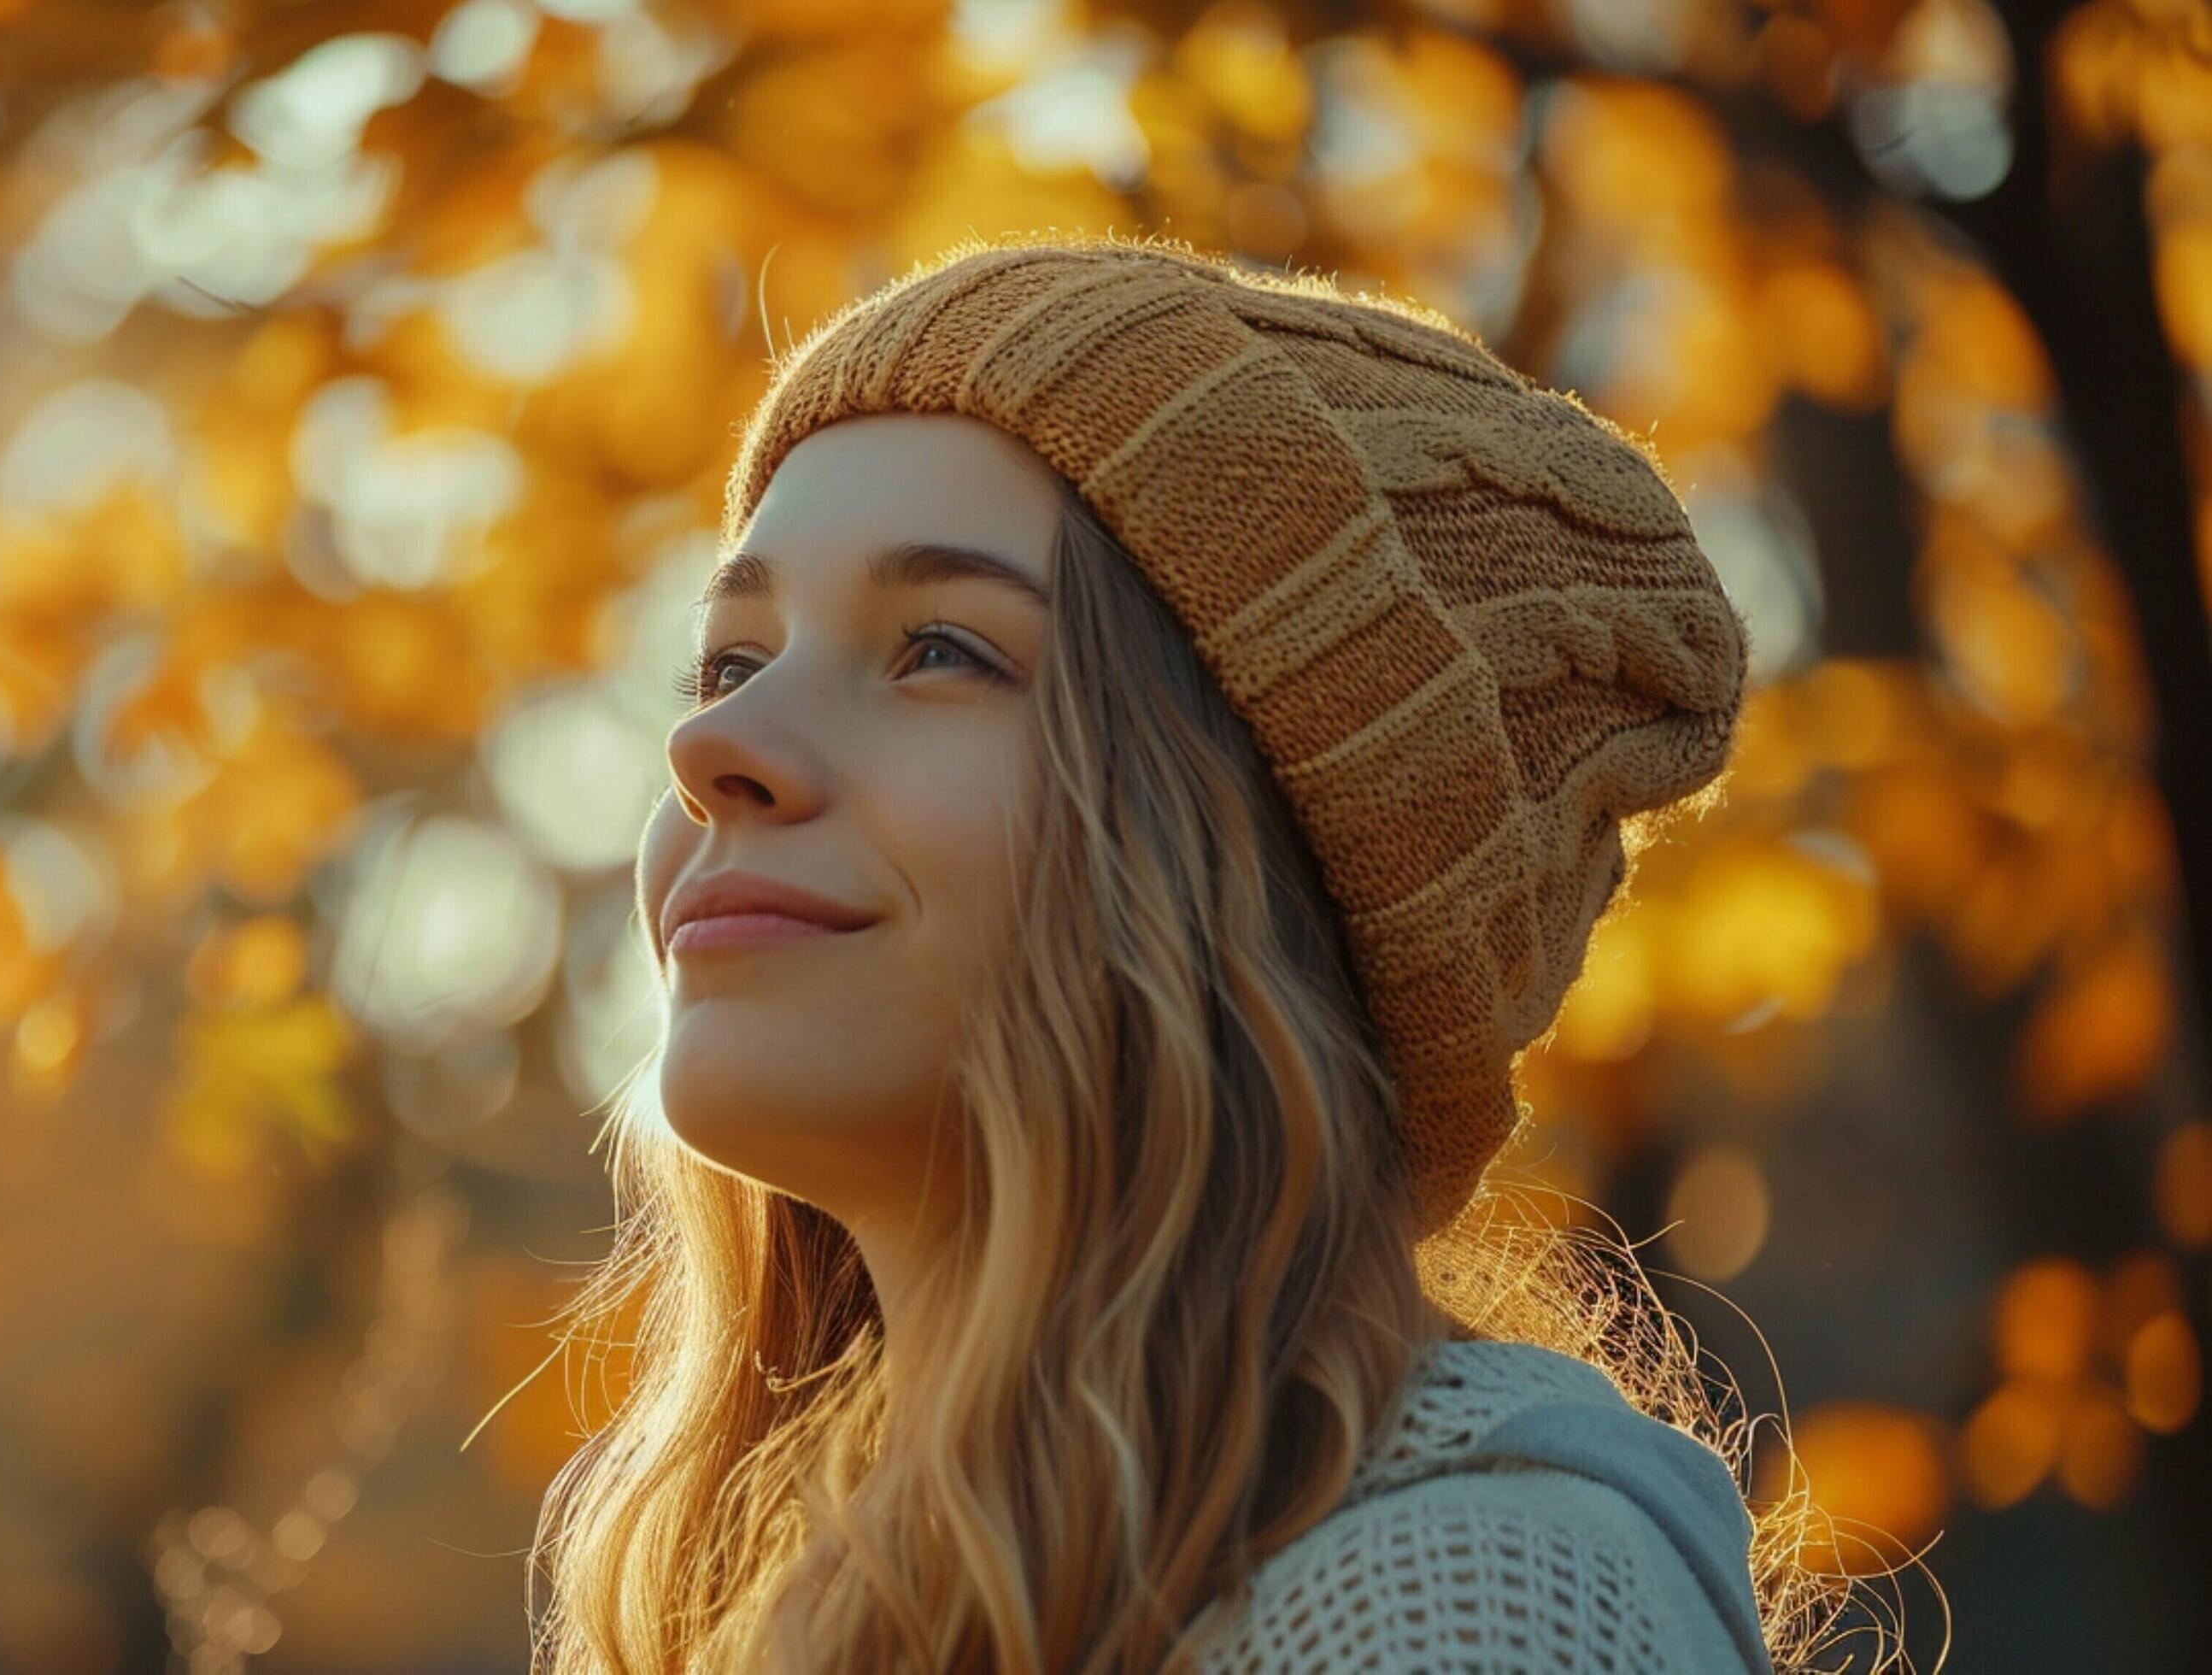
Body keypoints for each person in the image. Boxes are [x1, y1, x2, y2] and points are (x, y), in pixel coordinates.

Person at [525, 231, 1875, 1672]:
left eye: (940, 650)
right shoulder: (830, 1604)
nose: (709, 744)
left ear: (1245, 855)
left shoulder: (1455, 1603)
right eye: (733, 660)